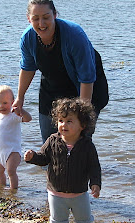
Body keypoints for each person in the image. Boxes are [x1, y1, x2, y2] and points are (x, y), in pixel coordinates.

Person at [13, 0, 109, 143]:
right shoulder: (27, 38)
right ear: (29, 18)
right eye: (36, 18)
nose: (41, 24)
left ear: (55, 15)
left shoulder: (75, 35)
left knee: (78, 142)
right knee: (50, 143)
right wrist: (20, 98)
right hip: (51, 87)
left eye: (46, 17)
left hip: (86, 87)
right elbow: (28, 68)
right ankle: (50, 166)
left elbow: (87, 77)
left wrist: (82, 115)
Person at [24, 98, 101, 223]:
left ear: (82, 125)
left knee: (83, 220)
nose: (63, 124)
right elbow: (43, 158)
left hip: (79, 193)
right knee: (57, 222)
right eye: (60, 120)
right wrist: (33, 157)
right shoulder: (52, 141)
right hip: (56, 193)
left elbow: (94, 167)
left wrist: (95, 184)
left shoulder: (87, 145)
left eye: (69, 121)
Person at [0, 85, 32, 191]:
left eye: (5, 103)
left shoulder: (14, 116)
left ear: (12, 102)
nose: (1, 106)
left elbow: (28, 119)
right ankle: (1, 187)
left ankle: (13, 190)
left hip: (13, 151)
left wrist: (21, 110)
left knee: (11, 171)